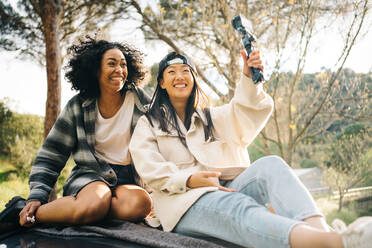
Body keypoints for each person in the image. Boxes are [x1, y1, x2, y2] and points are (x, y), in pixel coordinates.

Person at [129, 50, 372, 248]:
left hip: (224, 187)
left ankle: (323, 235)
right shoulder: (147, 124)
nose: (179, 76)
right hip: (182, 204)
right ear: (161, 82)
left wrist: (249, 79)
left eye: (186, 71)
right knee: (238, 208)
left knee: (271, 165)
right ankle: (339, 242)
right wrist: (190, 179)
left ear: (193, 80)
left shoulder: (210, 118)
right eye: (171, 72)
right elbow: (150, 169)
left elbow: (243, 114)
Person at [0, 37, 152, 230]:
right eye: (111, 64)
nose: (119, 70)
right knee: (95, 202)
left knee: (141, 203)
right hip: (90, 175)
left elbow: (160, 145)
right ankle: (26, 213)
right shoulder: (78, 106)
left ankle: (84, 212)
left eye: (123, 64)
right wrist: (37, 195)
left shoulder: (142, 103)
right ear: (96, 70)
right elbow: (52, 154)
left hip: (127, 179)